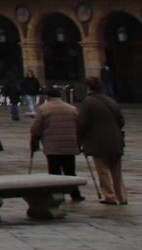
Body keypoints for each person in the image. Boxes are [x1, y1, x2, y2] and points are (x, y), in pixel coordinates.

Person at [77, 75, 127, 204]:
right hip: (115, 140)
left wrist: (80, 138)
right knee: (117, 171)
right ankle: (121, 196)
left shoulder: (88, 102)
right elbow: (121, 121)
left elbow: (83, 123)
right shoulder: (111, 101)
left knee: (103, 170)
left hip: (98, 141)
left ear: (88, 87)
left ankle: (110, 196)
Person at [30, 89, 83, 202]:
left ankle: (57, 194)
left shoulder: (43, 109)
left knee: (55, 171)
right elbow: (79, 126)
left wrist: (35, 136)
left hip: (52, 145)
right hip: (70, 144)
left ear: (48, 97)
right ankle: (75, 194)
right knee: (70, 171)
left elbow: (36, 129)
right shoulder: (72, 109)